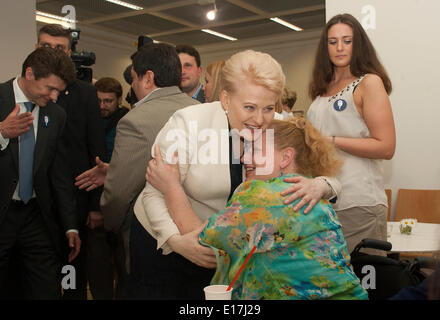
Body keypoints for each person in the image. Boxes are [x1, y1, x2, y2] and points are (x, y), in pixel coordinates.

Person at [130, 50, 341, 299]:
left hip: (222, 243)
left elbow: (328, 172)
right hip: (162, 238)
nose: (260, 119)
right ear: (226, 99)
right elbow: (154, 192)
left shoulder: (279, 123)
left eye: (269, 108)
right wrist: (175, 241)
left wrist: (321, 185)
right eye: (249, 107)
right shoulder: (188, 123)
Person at [197, 118, 367, 299]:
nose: (243, 158)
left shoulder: (262, 197)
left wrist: (170, 186)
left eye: (255, 150)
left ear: (285, 158)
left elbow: (203, 241)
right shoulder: (314, 192)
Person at [75, 43, 200, 292]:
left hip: (150, 238)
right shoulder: (201, 112)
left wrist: (111, 223)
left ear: (148, 78)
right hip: (198, 231)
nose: (132, 86)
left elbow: (120, 194)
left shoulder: (135, 120)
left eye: (133, 79)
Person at [306, 13, 396, 254]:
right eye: (333, 42)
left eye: (347, 40)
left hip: (359, 202)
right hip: (323, 203)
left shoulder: (369, 83)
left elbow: (386, 147)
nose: (340, 47)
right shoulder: (320, 89)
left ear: (358, 44)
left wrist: (331, 141)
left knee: (365, 287)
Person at [0, 47, 80, 299]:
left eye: (59, 90)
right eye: (50, 88)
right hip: (2, 214)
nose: (55, 97)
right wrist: (0, 132)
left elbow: (59, 174)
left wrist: (70, 226)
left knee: (46, 287)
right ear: (30, 73)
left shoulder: (56, 115)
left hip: (36, 215)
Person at [36, 24, 107, 299]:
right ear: (35, 49)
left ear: (70, 51)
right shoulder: (28, 90)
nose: (53, 53)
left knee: (73, 274)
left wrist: (96, 205)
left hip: (77, 196)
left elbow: (97, 150)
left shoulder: (85, 93)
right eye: (46, 47)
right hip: (37, 200)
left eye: (60, 48)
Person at [95, 77, 130, 162]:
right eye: (98, 101)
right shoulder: (90, 119)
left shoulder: (127, 122)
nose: (102, 106)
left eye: (108, 101)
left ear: (119, 100)